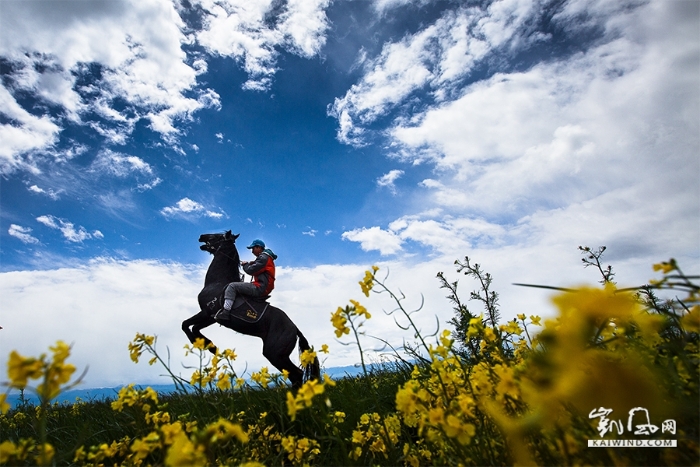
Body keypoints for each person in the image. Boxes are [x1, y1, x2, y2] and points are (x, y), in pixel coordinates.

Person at [221, 239, 277, 313]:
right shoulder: (265, 258)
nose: (252, 251)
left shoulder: (263, 258)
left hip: (260, 287)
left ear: (259, 247)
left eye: (253, 248)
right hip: (263, 287)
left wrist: (245, 265)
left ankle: (226, 312)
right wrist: (253, 263)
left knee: (232, 286)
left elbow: (251, 270)